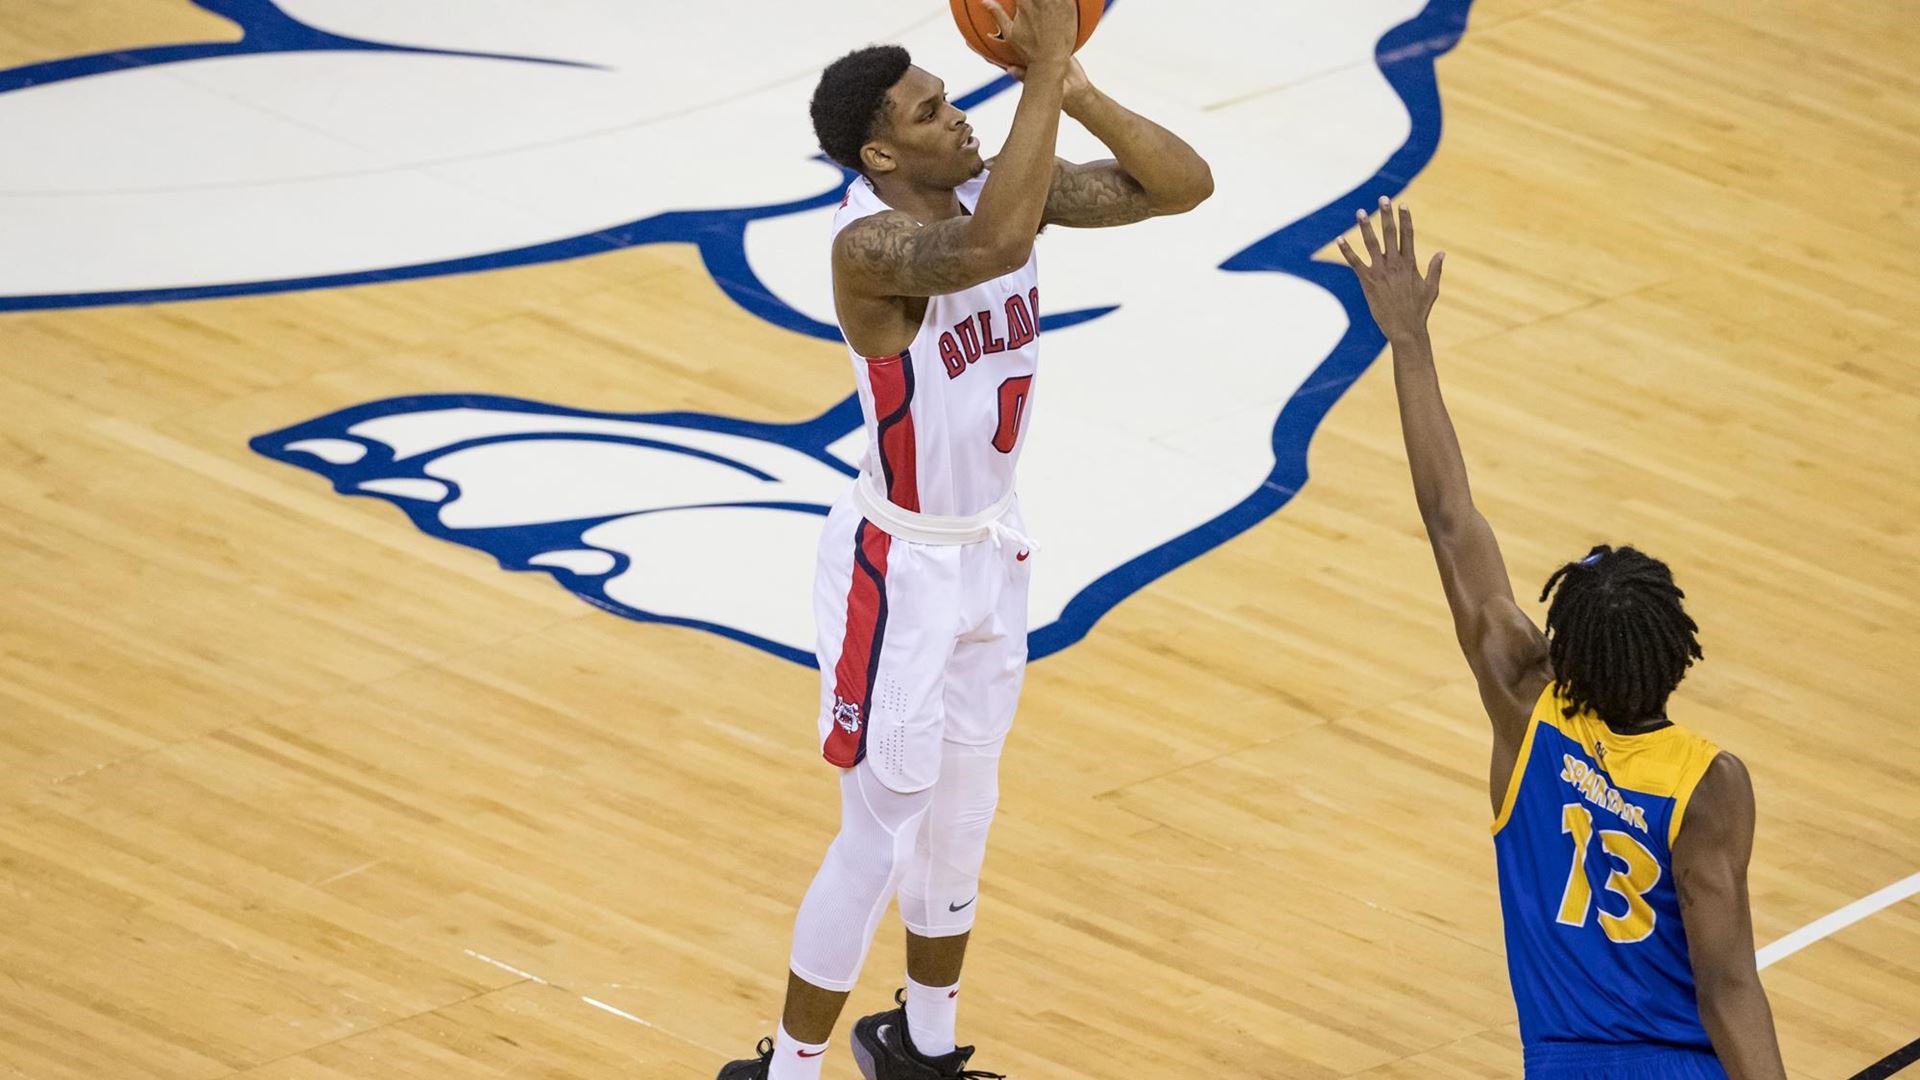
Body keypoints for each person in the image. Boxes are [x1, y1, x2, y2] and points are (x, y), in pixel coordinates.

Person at [719, 2, 1213, 1078]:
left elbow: (1182, 186)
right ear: (882, 150)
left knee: (965, 812)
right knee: (878, 831)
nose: (962, 119)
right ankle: (790, 1074)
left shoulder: (999, 184)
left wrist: (1070, 82)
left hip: (992, 545)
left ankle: (922, 1048)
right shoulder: (871, 245)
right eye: (934, 111)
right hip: (897, 566)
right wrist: (1040, 67)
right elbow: (989, 251)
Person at [1337, 199, 1789, 1080]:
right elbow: (1728, 985)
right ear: (1674, 658)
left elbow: (1449, 519)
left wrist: (1409, 342)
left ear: (1564, 651)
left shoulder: (1522, 700)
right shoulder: (1709, 785)